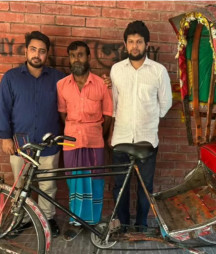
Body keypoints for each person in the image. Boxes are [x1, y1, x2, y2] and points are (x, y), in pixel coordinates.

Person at [0, 31, 64, 238]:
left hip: (49, 142)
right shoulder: (11, 78)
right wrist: (6, 137)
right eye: (33, 49)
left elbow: (77, 92)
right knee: (21, 184)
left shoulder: (58, 78)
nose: (37, 55)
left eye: (42, 51)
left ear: (47, 54)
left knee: (48, 184)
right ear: (26, 51)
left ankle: (47, 219)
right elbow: (2, 108)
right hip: (20, 144)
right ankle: (22, 219)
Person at [109, 21, 172, 232]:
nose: (134, 46)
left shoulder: (158, 71)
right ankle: (124, 225)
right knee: (120, 186)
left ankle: (141, 225)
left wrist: (151, 119)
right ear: (124, 44)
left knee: (145, 187)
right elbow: (113, 104)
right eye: (131, 42)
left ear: (147, 44)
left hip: (147, 139)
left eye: (139, 42)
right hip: (121, 138)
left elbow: (166, 103)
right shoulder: (116, 70)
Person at [57, 41, 113, 240]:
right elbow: (63, 114)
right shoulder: (62, 85)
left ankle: (93, 222)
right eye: (73, 55)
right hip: (71, 142)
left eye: (81, 55)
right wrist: (74, 128)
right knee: (74, 181)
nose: (76, 59)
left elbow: (108, 116)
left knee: (95, 180)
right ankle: (75, 222)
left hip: (94, 140)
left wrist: (98, 133)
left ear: (88, 57)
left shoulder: (100, 84)